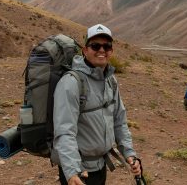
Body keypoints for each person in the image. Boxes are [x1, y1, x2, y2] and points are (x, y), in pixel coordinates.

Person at [51, 24, 141, 185]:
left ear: (111, 51)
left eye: (106, 46)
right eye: (95, 45)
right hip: (80, 170)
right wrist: (72, 172)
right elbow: (64, 131)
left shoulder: (110, 80)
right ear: (85, 50)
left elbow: (119, 120)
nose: (102, 50)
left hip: (101, 165)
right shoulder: (71, 83)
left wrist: (129, 153)